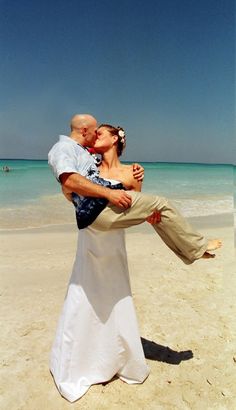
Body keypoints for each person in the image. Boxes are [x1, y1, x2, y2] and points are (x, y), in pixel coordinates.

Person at [48, 114, 221, 265]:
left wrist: (148, 215)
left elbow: (135, 206)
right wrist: (70, 190)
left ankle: (192, 251)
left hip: (108, 219)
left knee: (160, 212)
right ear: (85, 130)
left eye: (100, 133)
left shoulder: (96, 160)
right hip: (95, 218)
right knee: (162, 203)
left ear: (114, 139)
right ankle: (197, 247)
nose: (95, 136)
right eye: (95, 132)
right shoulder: (76, 153)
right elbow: (71, 182)